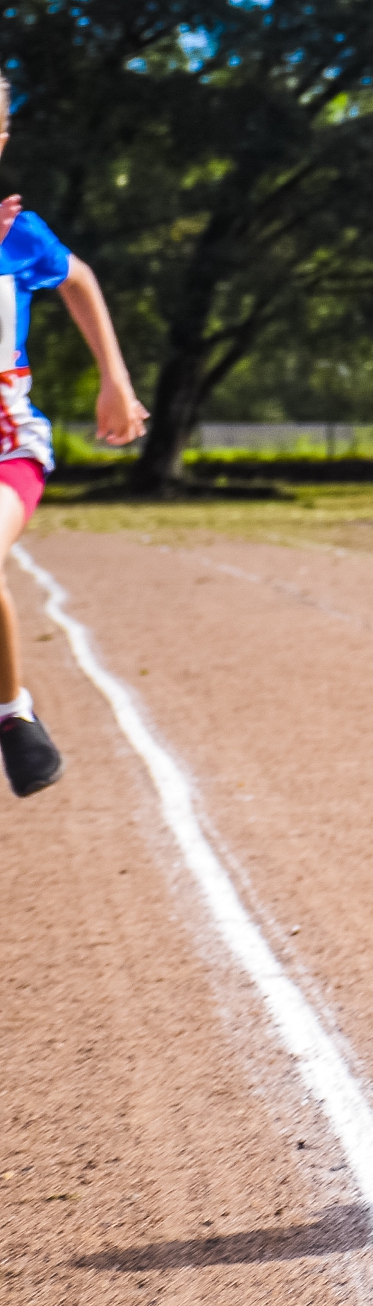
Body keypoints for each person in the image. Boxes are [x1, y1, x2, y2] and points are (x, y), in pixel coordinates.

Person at [0, 77, 151, 796]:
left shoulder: (18, 233)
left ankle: (10, 717)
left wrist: (114, 380)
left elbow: (79, 277)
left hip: (8, 443)